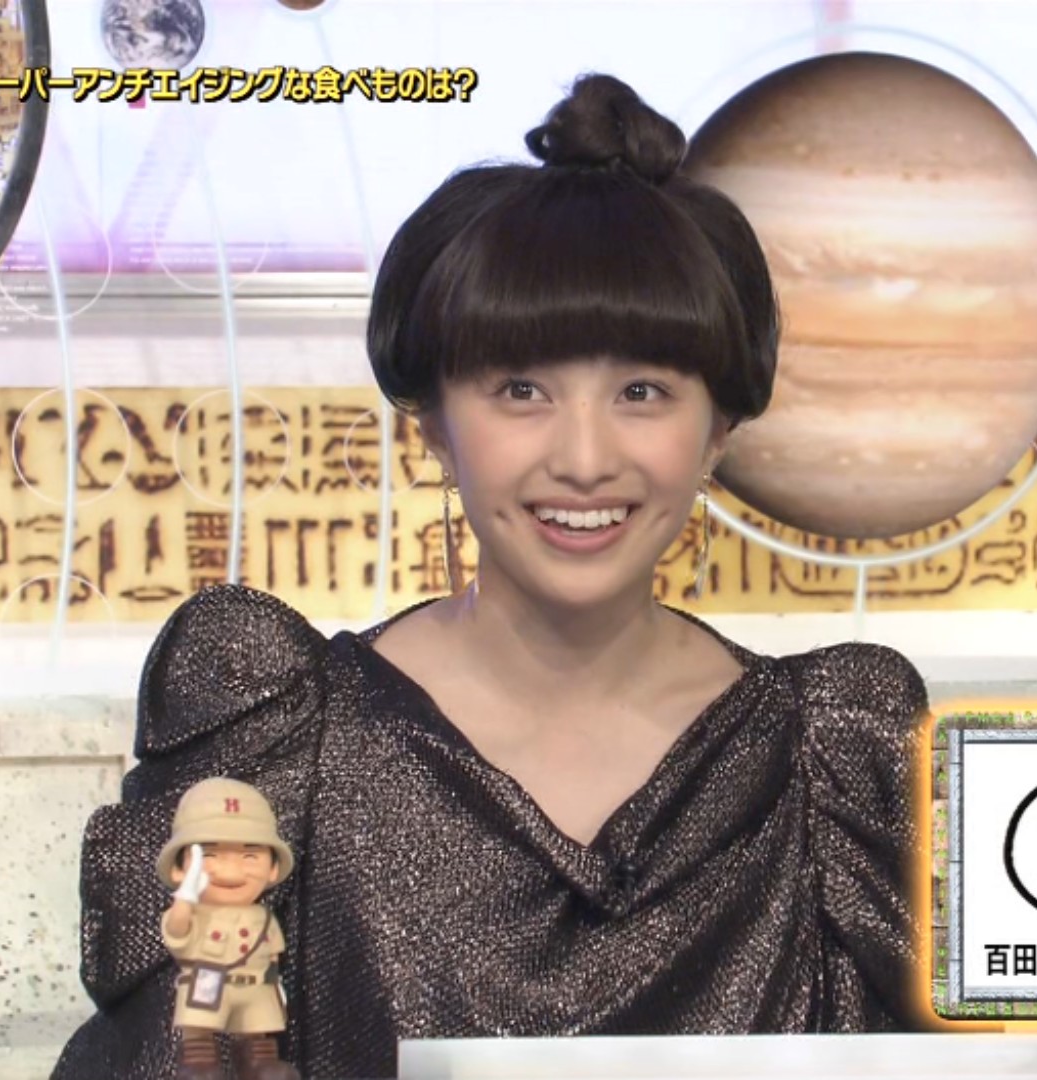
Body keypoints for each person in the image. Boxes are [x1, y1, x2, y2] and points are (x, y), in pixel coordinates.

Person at [55, 73, 932, 1080]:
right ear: (433, 422)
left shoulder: (831, 760)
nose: (585, 459)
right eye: (521, 389)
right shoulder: (285, 734)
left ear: (717, 430)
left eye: (643, 391)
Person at [158, 778, 298, 1080]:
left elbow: (273, 956)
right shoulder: (192, 911)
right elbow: (177, 934)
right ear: (179, 868)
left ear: (273, 868)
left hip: (256, 986)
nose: (231, 872)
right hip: (207, 978)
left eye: (250, 856)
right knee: (200, 1036)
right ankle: (199, 1064)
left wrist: (277, 987)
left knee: (259, 1033)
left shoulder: (264, 917)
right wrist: (186, 895)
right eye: (210, 856)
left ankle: (259, 1063)